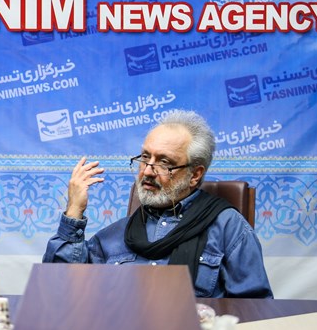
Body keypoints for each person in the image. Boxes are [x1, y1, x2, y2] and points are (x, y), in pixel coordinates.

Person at [42, 110, 273, 298]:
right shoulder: (116, 234)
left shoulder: (229, 228)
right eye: (145, 157)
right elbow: (60, 289)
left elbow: (254, 310)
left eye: (164, 162)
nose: (147, 171)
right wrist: (74, 211)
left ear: (195, 175)